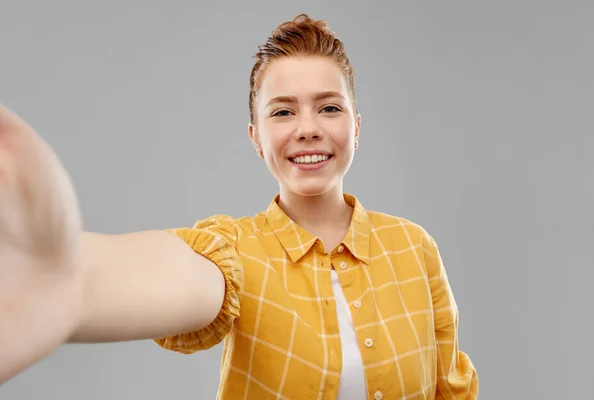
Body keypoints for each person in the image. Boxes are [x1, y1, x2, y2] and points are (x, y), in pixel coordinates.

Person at [0, 13, 478, 400]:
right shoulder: (234, 252)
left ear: (356, 127)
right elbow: (176, 275)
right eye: (283, 111)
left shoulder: (415, 249)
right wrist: (63, 275)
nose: (308, 128)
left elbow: (451, 392)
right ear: (256, 137)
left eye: (329, 108)